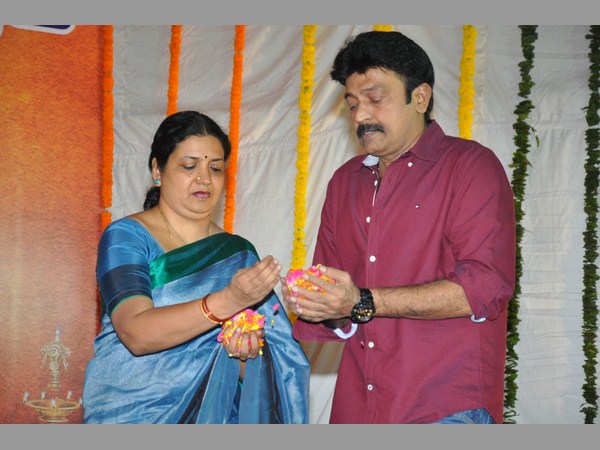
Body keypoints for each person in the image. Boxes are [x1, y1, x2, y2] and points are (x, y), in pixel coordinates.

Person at [283, 31, 516, 424]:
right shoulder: (344, 182)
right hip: (359, 409)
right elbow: (341, 302)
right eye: (352, 104)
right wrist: (319, 302)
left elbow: (485, 287)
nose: (360, 116)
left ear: (420, 97)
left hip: (445, 407)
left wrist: (363, 300)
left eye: (375, 99)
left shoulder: (470, 166)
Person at [82, 110, 310, 424]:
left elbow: (277, 372)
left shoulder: (237, 254)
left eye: (215, 168)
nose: (204, 178)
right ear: (157, 169)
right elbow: (135, 333)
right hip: (130, 414)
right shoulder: (126, 237)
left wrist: (245, 355)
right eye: (189, 166)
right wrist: (228, 301)